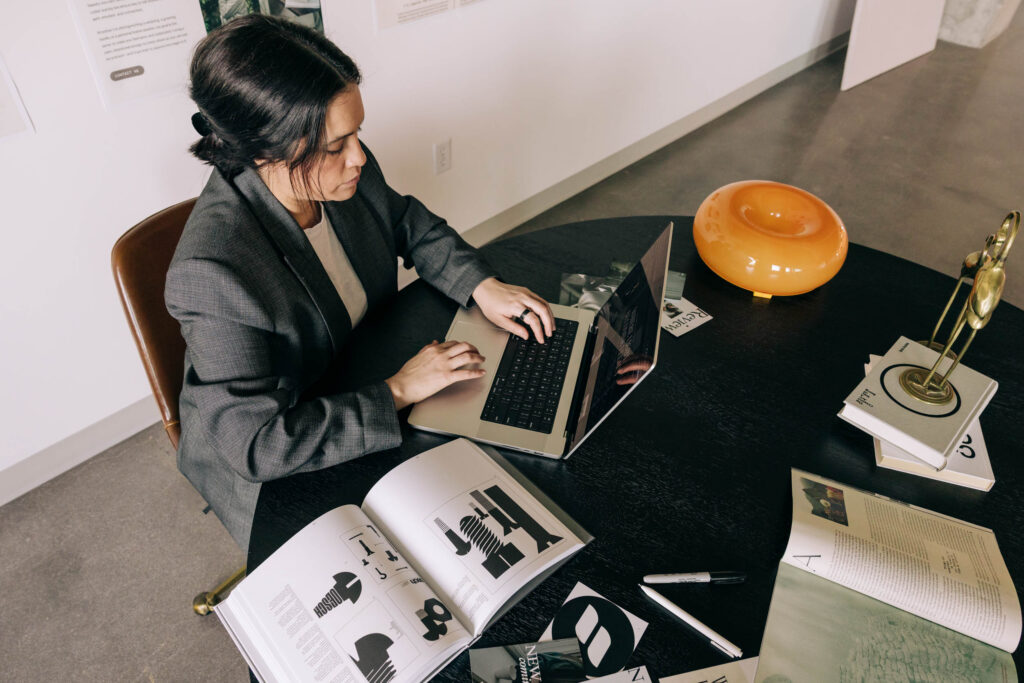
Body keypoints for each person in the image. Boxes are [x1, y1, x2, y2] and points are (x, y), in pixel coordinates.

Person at [165, 15, 555, 550]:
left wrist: (482, 285)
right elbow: (258, 446)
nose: (359, 159)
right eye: (335, 147)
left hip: (356, 367)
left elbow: (404, 222)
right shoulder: (214, 272)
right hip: (286, 456)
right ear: (263, 151)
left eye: (358, 134)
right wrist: (399, 389)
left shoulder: (342, 171)